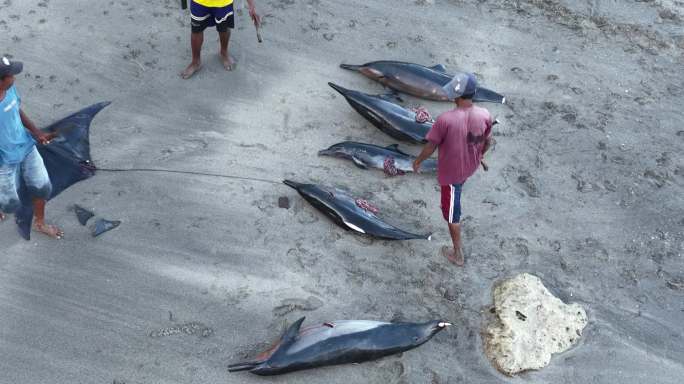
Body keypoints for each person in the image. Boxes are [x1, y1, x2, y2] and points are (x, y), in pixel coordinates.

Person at [413, 73, 492, 266]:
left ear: (456, 96)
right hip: (470, 166)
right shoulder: (485, 114)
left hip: (451, 174)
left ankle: (457, 254)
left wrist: (418, 161)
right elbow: (487, 140)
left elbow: (431, 146)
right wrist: (480, 156)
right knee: (458, 188)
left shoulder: (445, 119)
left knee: (452, 215)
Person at [0, 56, 63, 239]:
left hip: (26, 148)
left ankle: (40, 223)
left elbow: (16, 111)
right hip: (4, 161)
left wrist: (37, 133)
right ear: (1, 79)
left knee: (42, 187)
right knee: (9, 204)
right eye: (11, 75)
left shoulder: (9, 90)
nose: (15, 78)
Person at [181, 0, 260, 79]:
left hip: (223, 2)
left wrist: (251, 6)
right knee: (196, 31)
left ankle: (224, 52)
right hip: (199, 2)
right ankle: (196, 62)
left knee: (224, 29)